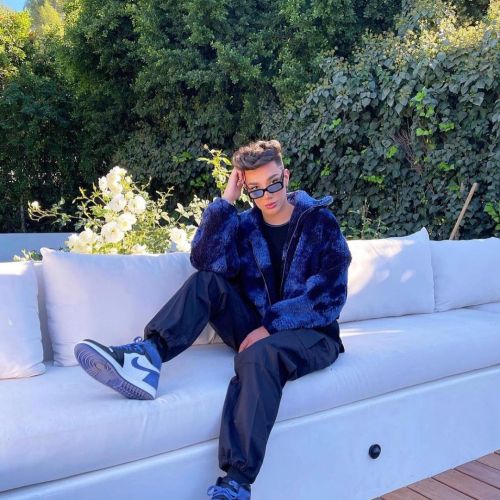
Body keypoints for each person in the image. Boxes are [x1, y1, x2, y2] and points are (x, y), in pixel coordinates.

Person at [74, 139, 352, 500]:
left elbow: (329, 296)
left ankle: (236, 483)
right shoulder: (245, 226)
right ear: (246, 189)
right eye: (255, 189)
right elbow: (205, 261)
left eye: (273, 184)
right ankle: (148, 357)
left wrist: (270, 327)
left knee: (260, 355)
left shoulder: (318, 222)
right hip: (257, 329)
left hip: (313, 333)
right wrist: (226, 203)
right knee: (207, 282)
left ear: (286, 176)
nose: (267, 196)